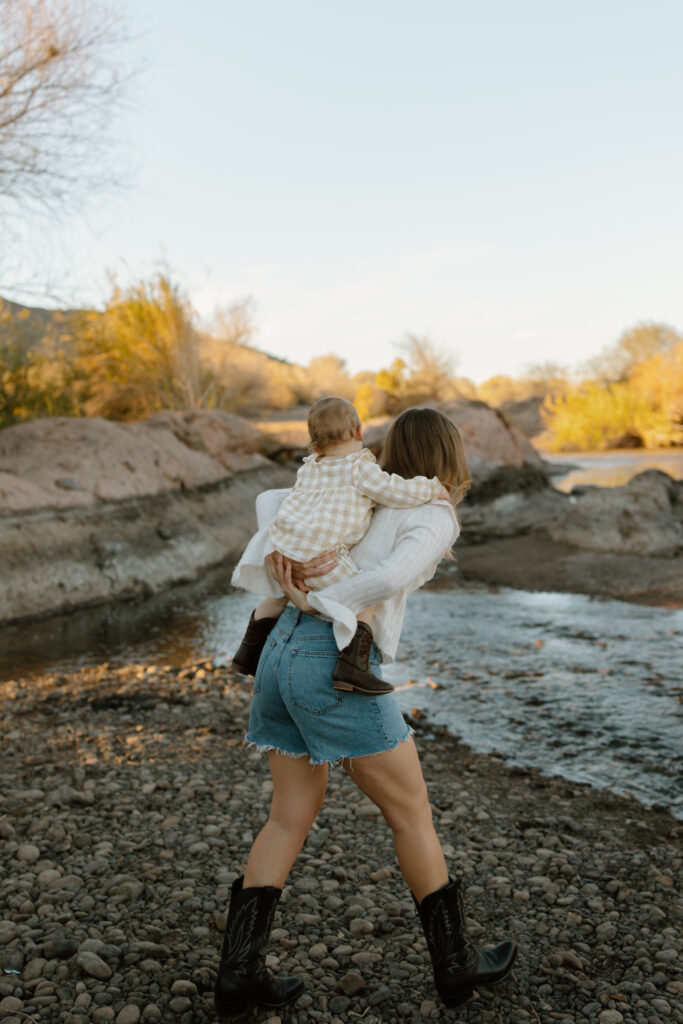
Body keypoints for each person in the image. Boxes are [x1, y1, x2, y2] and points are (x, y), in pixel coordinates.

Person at [214, 408, 517, 1019]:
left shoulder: (352, 484)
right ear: (449, 458)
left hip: (277, 654)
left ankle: (238, 974)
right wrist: (322, 599)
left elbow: (276, 498)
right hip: (324, 658)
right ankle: (455, 966)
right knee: (411, 812)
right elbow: (393, 575)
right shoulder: (429, 513)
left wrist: (287, 572)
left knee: (287, 817)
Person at [231, 396, 448, 695]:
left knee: (279, 594)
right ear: (360, 432)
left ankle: (247, 652)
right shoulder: (361, 468)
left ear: (314, 445)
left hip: (287, 549)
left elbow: (272, 498)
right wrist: (433, 488)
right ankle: (351, 667)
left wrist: (283, 551)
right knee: (365, 593)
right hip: (324, 559)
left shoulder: (310, 468)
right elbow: (396, 491)